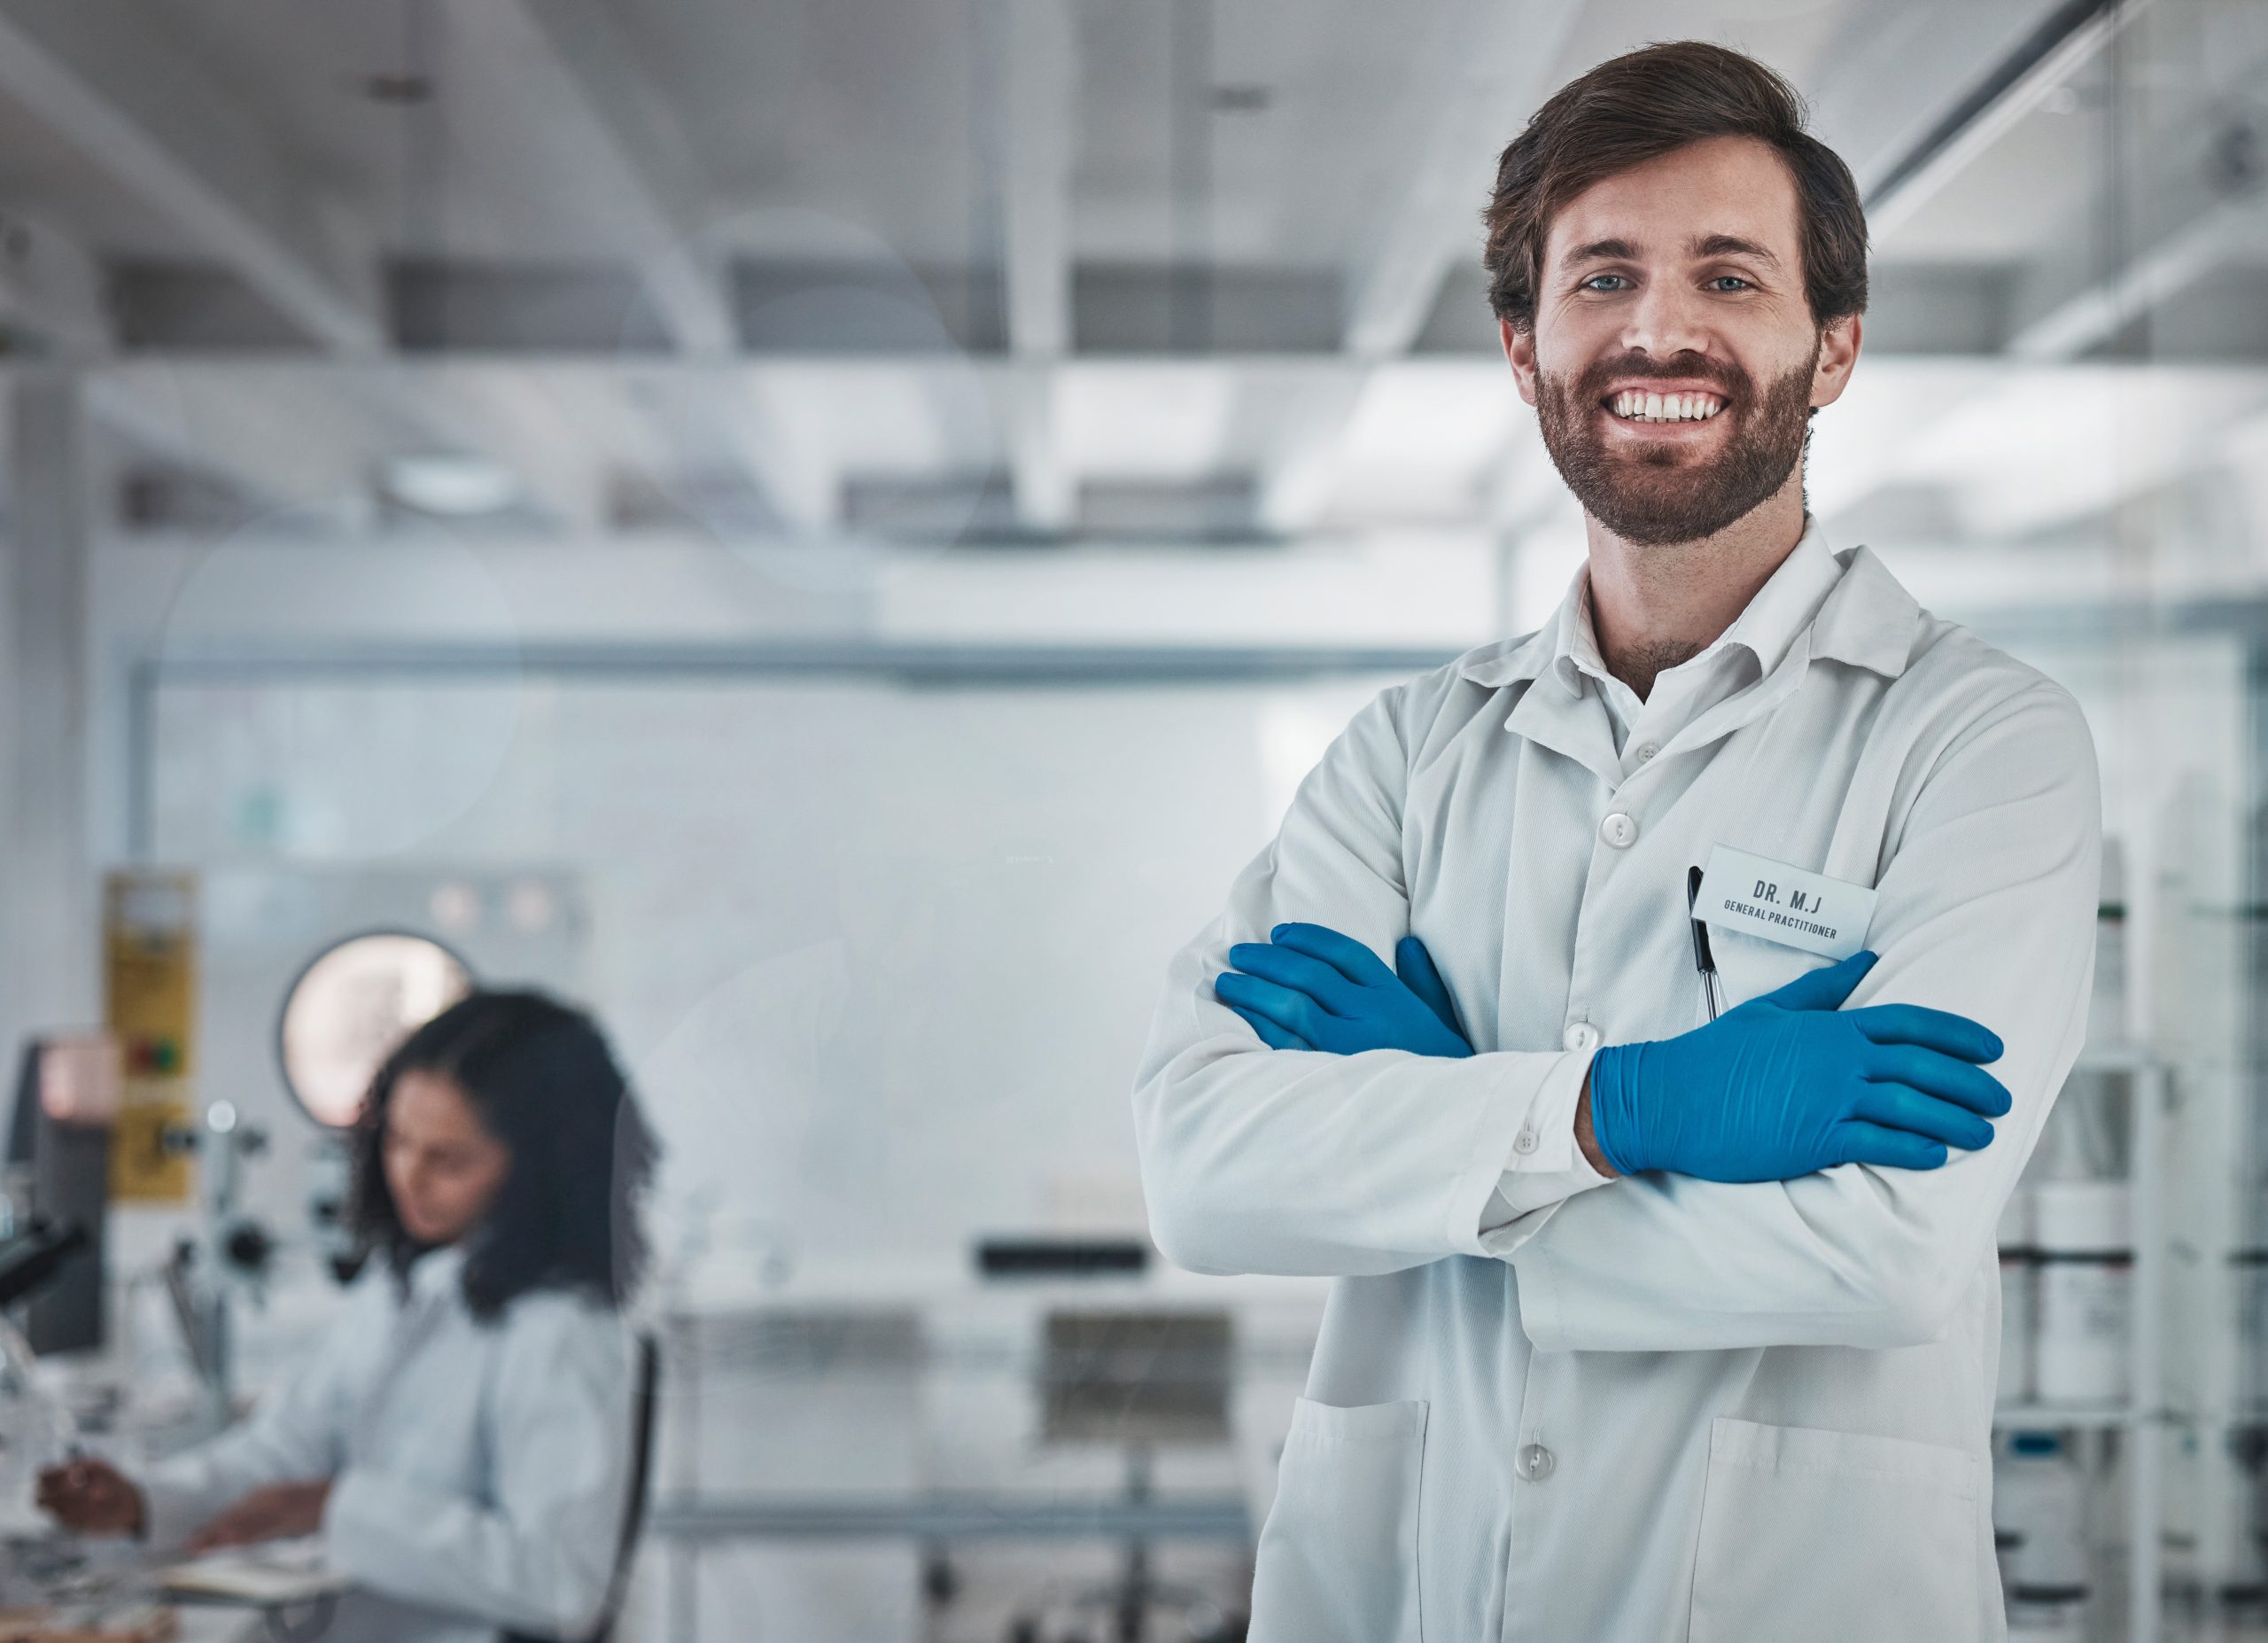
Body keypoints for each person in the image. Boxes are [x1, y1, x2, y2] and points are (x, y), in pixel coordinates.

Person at [1132, 41, 2097, 1643]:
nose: (1660, 329)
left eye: (1729, 274)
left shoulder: (1979, 739)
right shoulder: (1402, 754)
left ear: (1833, 345)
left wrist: (1444, 1135)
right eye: (1603, 279)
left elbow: (1881, 1250)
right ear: (1524, 349)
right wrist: (1613, 1107)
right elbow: (1211, 1170)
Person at [40, 992, 659, 1643]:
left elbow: (559, 1583)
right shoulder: (406, 1288)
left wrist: (340, 1507)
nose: (408, 1177)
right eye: (396, 1140)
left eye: (448, 1160)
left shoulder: (561, 1330)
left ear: (545, 1169)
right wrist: (141, 1502)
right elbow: (286, 1448)